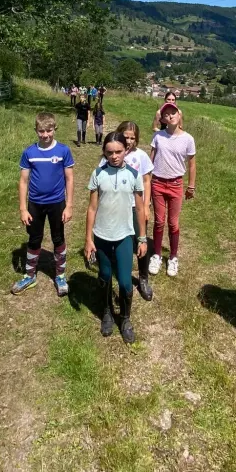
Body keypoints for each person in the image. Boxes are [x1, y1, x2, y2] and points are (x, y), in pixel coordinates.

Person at [85, 132, 147, 343]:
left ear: (126, 150)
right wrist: (88, 239)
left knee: (125, 281)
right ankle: (107, 312)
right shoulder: (98, 174)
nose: (114, 156)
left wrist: (142, 238)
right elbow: (92, 208)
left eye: (118, 151)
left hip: (124, 235)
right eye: (109, 152)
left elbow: (140, 209)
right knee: (104, 276)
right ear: (104, 152)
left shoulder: (133, 175)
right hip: (102, 235)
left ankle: (126, 318)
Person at [14, 112, 74, 297]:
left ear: (54, 129)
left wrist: (69, 205)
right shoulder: (29, 152)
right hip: (35, 204)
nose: (45, 135)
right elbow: (23, 181)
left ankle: (60, 275)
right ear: (36, 130)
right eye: (41, 131)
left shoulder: (63, 151)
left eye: (49, 130)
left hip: (57, 203)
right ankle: (30, 275)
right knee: (34, 239)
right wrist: (23, 209)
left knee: (58, 238)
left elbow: (69, 178)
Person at [149, 103, 196, 278]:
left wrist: (191, 186)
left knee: (173, 223)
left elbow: (192, 165)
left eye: (173, 112)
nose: (170, 116)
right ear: (162, 119)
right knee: (159, 221)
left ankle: (173, 257)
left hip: (176, 184)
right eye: (166, 114)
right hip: (158, 183)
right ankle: (157, 255)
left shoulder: (188, 139)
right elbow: (150, 161)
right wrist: (146, 183)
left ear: (179, 115)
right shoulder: (158, 137)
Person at [115, 121, 154, 301]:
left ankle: (143, 278)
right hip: (118, 207)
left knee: (141, 240)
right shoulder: (113, 154)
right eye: (126, 137)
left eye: (133, 138)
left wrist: (146, 206)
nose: (129, 141)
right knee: (121, 243)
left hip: (136, 207)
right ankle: (123, 275)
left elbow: (147, 181)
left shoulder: (142, 156)